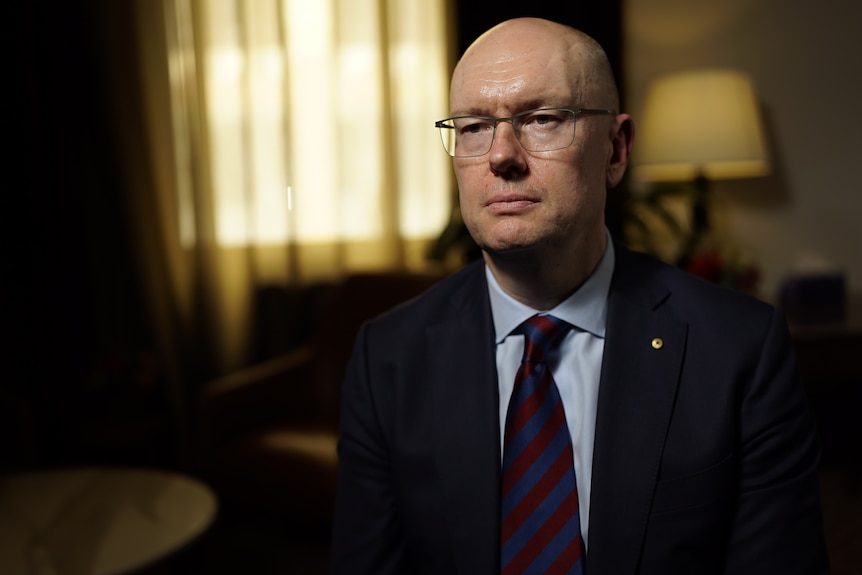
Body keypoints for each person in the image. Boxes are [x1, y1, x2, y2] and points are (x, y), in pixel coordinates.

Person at [330, 17, 829, 574]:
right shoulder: (387, 357)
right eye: (473, 127)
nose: (501, 156)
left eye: (541, 119)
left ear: (615, 150)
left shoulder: (741, 349)